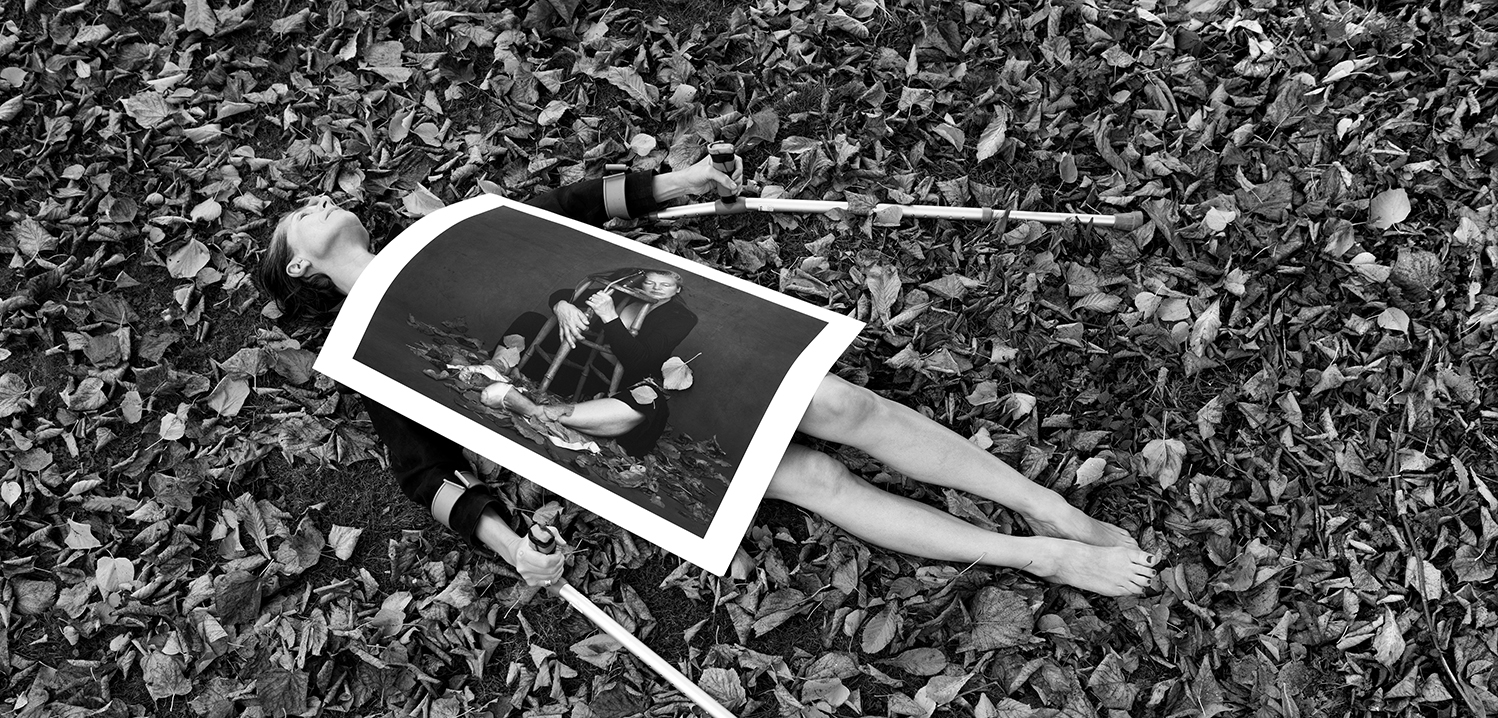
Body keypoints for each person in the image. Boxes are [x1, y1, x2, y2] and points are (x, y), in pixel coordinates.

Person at [257, 155, 1158, 597]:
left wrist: (677, 181)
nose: (322, 200)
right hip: (599, 400)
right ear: (299, 266)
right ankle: (1036, 556)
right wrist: (509, 547)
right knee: (814, 480)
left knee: (844, 404)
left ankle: (1045, 505)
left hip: (658, 334)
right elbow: (423, 472)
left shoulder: (445, 220)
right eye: (301, 214)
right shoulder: (367, 345)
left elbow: (562, 210)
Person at [476, 266, 696, 456]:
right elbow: (566, 294)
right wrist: (563, 306)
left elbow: (638, 361)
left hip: (609, 388)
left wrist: (610, 316)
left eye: (665, 285)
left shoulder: (681, 318)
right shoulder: (623, 292)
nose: (656, 288)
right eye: (650, 282)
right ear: (642, 282)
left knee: (651, 401)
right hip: (576, 367)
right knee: (532, 320)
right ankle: (495, 370)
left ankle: (539, 412)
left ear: (677, 289)